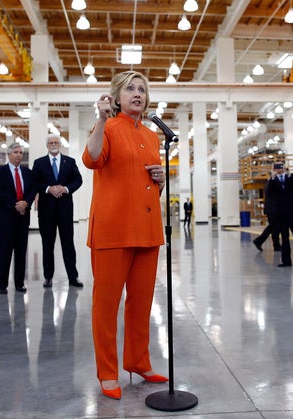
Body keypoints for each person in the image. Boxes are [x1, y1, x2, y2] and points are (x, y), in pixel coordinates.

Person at [82, 70, 168, 400]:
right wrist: (100, 121)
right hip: (113, 231)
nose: (137, 93)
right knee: (106, 306)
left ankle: (138, 361)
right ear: (117, 97)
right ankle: (107, 372)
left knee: (141, 303)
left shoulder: (152, 135)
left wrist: (160, 180)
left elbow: (148, 184)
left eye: (142, 89)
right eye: (130, 89)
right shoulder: (108, 127)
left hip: (147, 230)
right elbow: (91, 159)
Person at [32, 133, 84, 288]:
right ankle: (48, 276)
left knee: (68, 244)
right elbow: (34, 182)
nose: (53, 145)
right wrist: (48, 189)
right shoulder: (39, 163)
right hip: (46, 211)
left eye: (56, 142)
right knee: (47, 244)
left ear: (60, 144)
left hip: (65, 210)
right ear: (47, 145)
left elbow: (78, 180)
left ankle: (73, 277)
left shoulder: (70, 162)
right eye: (50, 143)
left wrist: (66, 188)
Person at [0, 142, 37, 294]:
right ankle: (1, 284)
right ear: (9, 154)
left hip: (22, 219)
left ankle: (19, 283)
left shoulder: (28, 173)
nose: (19, 155)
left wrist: (26, 203)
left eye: (21, 153)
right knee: (4, 252)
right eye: (16, 152)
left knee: (21, 252)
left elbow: (32, 190)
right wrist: (16, 205)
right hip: (6, 218)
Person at [267, 162, 293, 268]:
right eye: (277, 168)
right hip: (281, 213)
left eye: (281, 167)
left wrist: (289, 173)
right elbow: (269, 191)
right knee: (284, 238)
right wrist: (272, 175)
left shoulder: (290, 177)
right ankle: (286, 261)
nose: (279, 169)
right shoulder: (272, 180)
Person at [253, 164, 282, 252]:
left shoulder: (270, 182)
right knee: (274, 226)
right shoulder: (271, 182)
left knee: (275, 227)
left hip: (272, 208)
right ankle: (259, 241)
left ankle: (276, 245)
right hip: (272, 209)